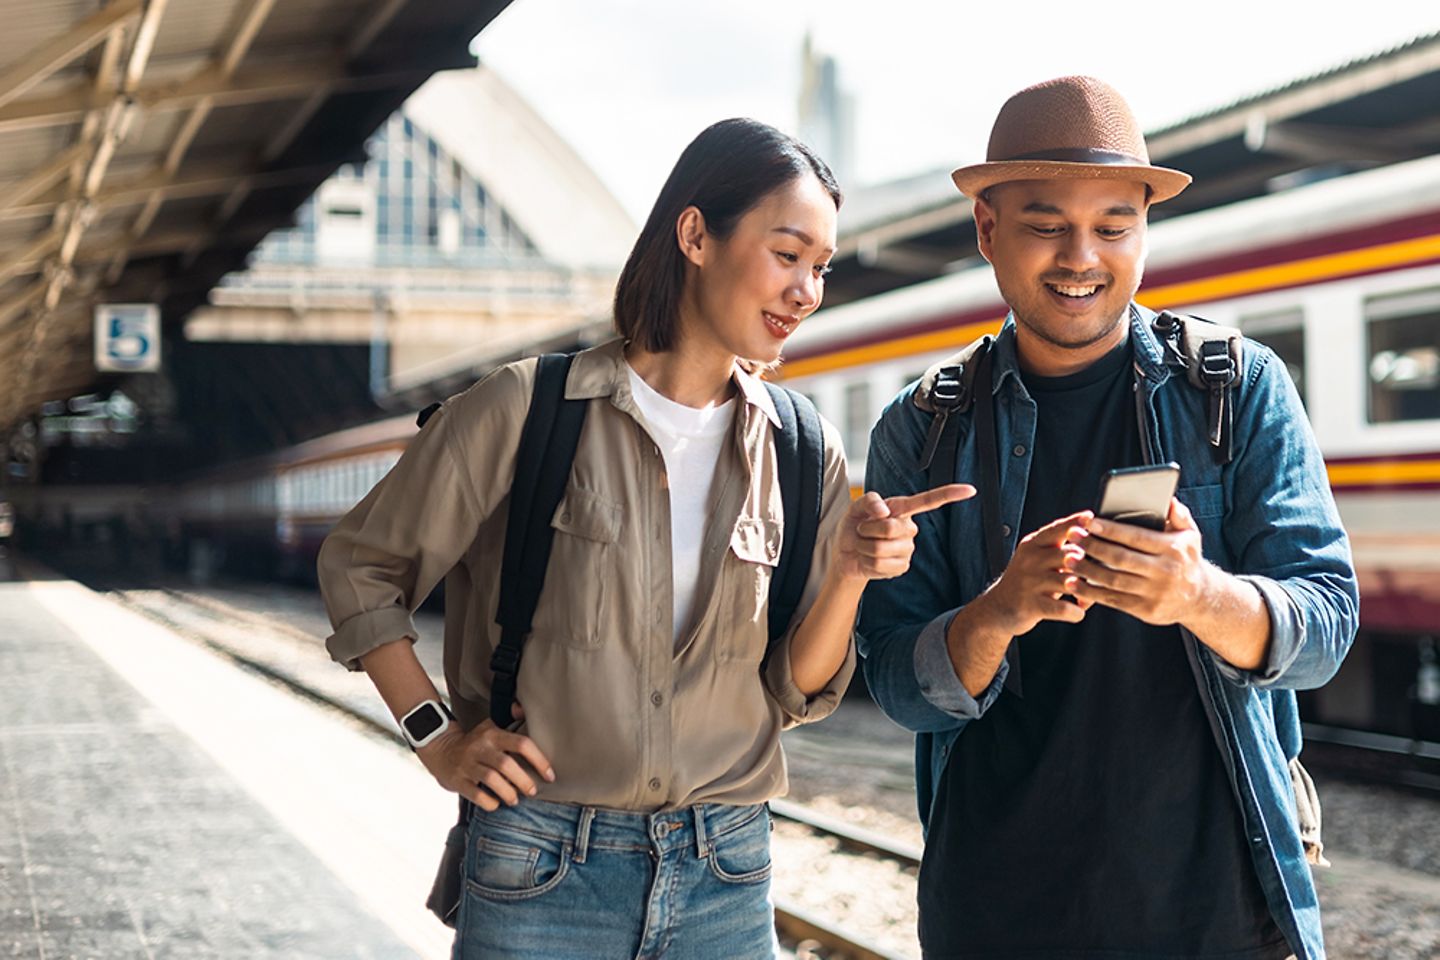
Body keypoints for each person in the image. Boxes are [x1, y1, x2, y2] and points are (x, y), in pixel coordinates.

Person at [317, 117, 972, 960]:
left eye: (821, 267)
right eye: (786, 254)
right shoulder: (527, 409)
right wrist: (437, 738)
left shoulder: (802, 446)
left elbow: (794, 689)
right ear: (696, 234)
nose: (808, 290)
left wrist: (848, 573)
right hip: (541, 865)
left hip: (726, 870)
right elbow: (363, 566)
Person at [858, 77, 1358, 960]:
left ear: (1144, 229)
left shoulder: (1236, 391)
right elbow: (895, 680)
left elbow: (1326, 626)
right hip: (996, 915)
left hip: (1221, 915)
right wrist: (1000, 611)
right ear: (987, 229)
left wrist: (1199, 596)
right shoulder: (922, 428)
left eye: (1114, 225)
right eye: (1046, 224)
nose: (1080, 255)